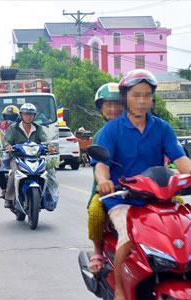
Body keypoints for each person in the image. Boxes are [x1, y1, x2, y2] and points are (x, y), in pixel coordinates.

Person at [93, 69, 191, 299]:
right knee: (128, 238)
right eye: (137, 95)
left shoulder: (162, 128)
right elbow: (101, 165)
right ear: (126, 97)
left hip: (160, 197)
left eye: (147, 95)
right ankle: (120, 290)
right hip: (123, 198)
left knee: (184, 232)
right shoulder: (111, 130)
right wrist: (104, 181)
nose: (142, 100)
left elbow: (182, 161)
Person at [86, 82, 125, 273]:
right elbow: (99, 167)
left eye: (118, 104)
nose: (113, 109)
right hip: (112, 190)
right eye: (108, 105)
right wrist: (103, 182)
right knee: (95, 213)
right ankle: (98, 249)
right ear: (101, 109)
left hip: (144, 189)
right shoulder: (101, 135)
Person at [3, 103, 49, 208]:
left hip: (36, 158)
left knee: (48, 172)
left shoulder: (38, 128)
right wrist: (8, 146)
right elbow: (6, 141)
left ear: (34, 116)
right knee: (14, 173)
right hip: (18, 158)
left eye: (31, 114)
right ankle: (9, 198)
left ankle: (48, 197)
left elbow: (45, 140)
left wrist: (49, 146)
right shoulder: (13, 128)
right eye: (26, 114)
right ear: (21, 115)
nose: (29, 116)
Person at [0, 105, 19, 199]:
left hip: (19, 154)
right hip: (5, 154)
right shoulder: (0, 130)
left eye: (12, 117)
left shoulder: (21, 127)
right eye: (7, 117)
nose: (10, 120)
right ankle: (4, 190)